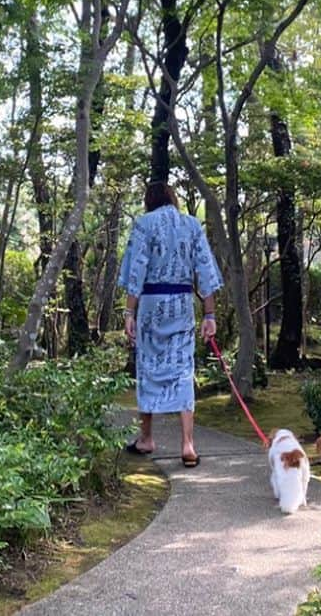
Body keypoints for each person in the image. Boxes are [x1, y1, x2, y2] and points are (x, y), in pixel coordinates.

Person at [118, 181, 223, 467]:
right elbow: (205, 271)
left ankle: (147, 438)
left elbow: (136, 269)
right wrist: (210, 316)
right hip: (181, 305)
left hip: (151, 305)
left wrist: (129, 312)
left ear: (149, 201)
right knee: (182, 368)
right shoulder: (191, 225)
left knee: (148, 366)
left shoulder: (144, 224)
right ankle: (188, 444)